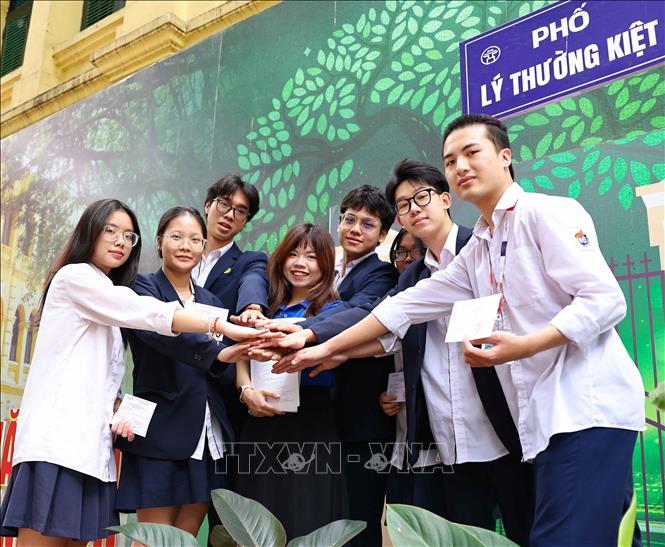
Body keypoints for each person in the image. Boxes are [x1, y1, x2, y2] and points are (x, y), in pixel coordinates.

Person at [280, 115, 645, 546]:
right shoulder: (479, 249)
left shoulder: (546, 212)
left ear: (505, 156)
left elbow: (605, 300)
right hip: (542, 422)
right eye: (451, 160)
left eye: (472, 153)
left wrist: (524, 345)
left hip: (586, 410)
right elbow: (402, 307)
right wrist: (321, 346)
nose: (461, 166)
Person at [262, 160, 534, 544]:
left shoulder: (482, 249)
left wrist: (315, 339)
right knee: (465, 536)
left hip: (503, 426)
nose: (414, 209)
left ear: (446, 199)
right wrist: (331, 352)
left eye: (421, 198)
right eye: (404, 205)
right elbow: (389, 327)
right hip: (448, 437)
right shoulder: (413, 276)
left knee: (529, 531)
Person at [0, 199, 262, 546]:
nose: (120, 241)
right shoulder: (76, 278)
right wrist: (219, 324)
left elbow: (101, 375)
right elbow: (145, 312)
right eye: (110, 231)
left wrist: (118, 407)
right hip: (58, 445)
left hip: (92, 450)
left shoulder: (108, 296)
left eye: (128, 235)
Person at [253, 186, 397, 546]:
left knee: (356, 524)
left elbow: (359, 312)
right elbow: (259, 273)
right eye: (350, 219)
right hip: (312, 417)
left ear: (383, 234)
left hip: (360, 420)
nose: (355, 229)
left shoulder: (382, 274)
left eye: (368, 224)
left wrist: (302, 330)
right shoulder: (323, 269)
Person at [115, 207, 252, 538]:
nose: (185, 246)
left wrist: (245, 363)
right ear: (159, 241)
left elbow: (221, 369)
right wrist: (220, 352)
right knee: (153, 538)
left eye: (194, 239)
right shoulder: (142, 289)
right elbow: (164, 337)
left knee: (185, 539)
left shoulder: (212, 301)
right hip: (160, 428)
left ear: (203, 246)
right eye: (176, 237)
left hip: (206, 434)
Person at [235, 223, 346, 539]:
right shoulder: (262, 308)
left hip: (311, 422)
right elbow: (241, 354)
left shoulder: (334, 311)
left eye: (311, 257)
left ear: (326, 264)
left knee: (307, 514)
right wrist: (245, 391)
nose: (300, 264)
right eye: (294, 254)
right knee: (256, 516)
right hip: (260, 417)